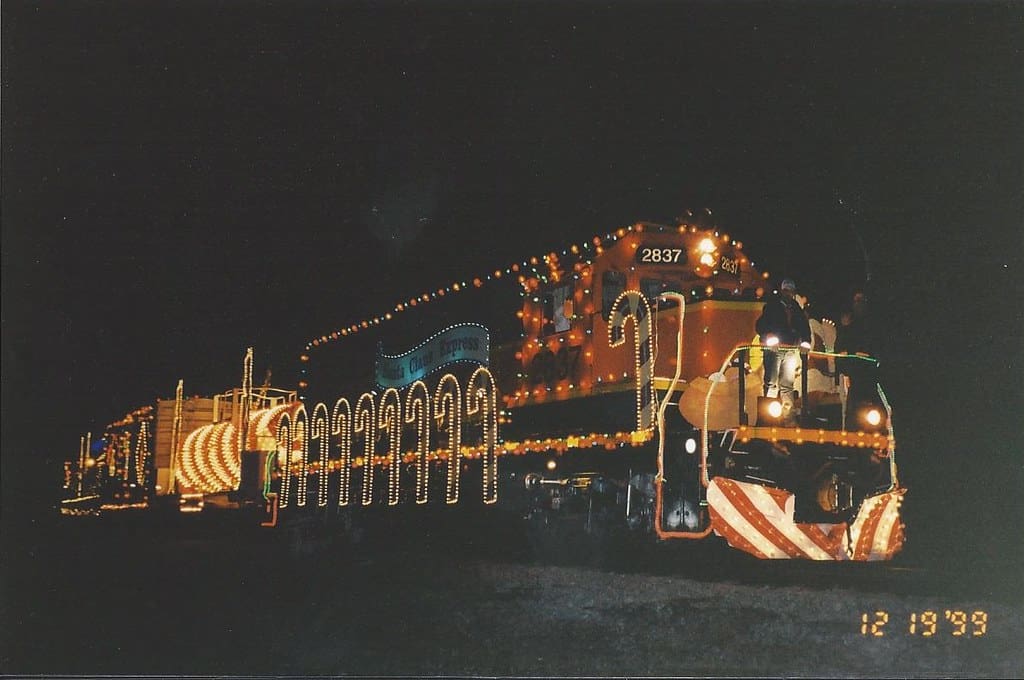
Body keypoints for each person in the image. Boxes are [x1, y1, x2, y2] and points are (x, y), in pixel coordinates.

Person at [755, 278, 812, 423]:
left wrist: (805, 342)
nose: (789, 294)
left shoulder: (796, 309)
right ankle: (769, 418)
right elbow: (761, 325)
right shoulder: (772, 306)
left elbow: (804, 328)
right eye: (786, 291)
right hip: (775, 349)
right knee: (771, 382)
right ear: (782, 291)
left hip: (790, 349)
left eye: (791, 291)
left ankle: (788, 418)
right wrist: (768, 335)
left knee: (787, 384)